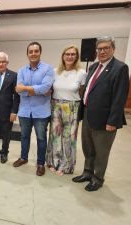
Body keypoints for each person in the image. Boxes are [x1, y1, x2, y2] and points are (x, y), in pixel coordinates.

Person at [72, 36, 130, 191]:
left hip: (105, 120)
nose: (102, 51)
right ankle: (87, 172)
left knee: (101, 151)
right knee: (88, 148)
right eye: (100, 48)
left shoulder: (120, 68)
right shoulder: (93, 67)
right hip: (88, 115)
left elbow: (120, 98)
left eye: (106, 48)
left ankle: (98, 179)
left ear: (113, 49)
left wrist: (113, 121)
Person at [13, 42, 54, 176]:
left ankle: (40, 163)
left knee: (41, 138)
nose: (33, 54)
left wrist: (27, 88)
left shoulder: (48, 69)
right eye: (31, 51)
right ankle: (23, 158)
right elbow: (19, 91)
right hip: (24, 110)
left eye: (36, 51)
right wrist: (38, 90)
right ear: (27, 54)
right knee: (24, 136)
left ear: (40, 53)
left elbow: (45, 88)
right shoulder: (21, 70)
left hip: (41, 112)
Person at [46, 45, 87, 176]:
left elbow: (82, 92)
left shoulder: (81, 73)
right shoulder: (55, 71)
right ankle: (53, 162)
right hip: (56, 105)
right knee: (55, 136)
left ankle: (66, 165)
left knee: (69, 137)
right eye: (67, 54)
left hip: (72, 108)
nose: (70, 56)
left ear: (76, 57)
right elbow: (51, 90)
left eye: (73, 54)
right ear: (63, 56)